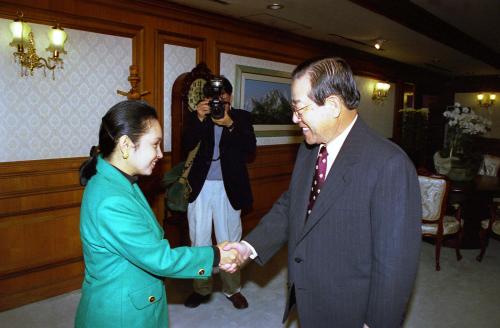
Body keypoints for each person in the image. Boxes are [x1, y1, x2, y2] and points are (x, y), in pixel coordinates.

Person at [224, 57, 422, 327]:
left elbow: (395, 266)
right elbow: (292, 204)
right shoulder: (310, 149)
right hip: (307, 298)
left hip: (350, 310)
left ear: (331, 105)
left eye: (299, 108)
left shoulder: (390, 165)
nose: (295, 119)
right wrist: (249, 247)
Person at [75, 100, 237, 328]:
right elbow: (160, 259)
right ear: (125, 144)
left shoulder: (116, 179)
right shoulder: (111, 200)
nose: (160, 154)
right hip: (123, 314)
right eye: (155, 144)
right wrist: (216, 255)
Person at [182, 77, 257, 309]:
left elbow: (250, 150)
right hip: (201, 187)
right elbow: (185, 144)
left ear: (230, 96)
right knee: (199, 239)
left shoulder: (242, 117)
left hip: (230, 187)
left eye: (223, 95)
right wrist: (199, 118)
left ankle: (232, 289)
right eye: (215, 96)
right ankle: (201, 289)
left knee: (230, 239)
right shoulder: (199, 116)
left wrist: (230, 124)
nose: (219, 100)